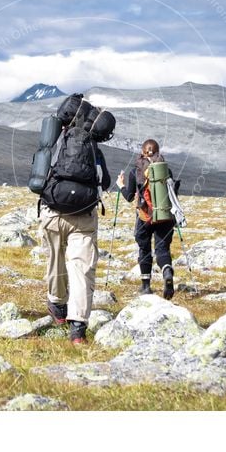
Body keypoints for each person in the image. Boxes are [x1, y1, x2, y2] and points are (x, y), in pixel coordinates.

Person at [39, 110, 112, 345]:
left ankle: (57, 305)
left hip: (52, 213)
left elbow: (40, 176)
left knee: (55, 261)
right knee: (81, 269)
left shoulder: (56, 143)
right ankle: (78, 329)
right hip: (83, 218)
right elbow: (105, 182)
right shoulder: (94, 150)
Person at [117, 139, 179, 300]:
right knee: (162, 249)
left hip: (145, 216)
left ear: (142, 152)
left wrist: (121, 185)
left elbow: (130, 197)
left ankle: (145, 287)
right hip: (165, 217)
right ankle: (166, 271)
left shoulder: (135, 171)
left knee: (144, 249)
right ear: (158, 152)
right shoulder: (166, 170)